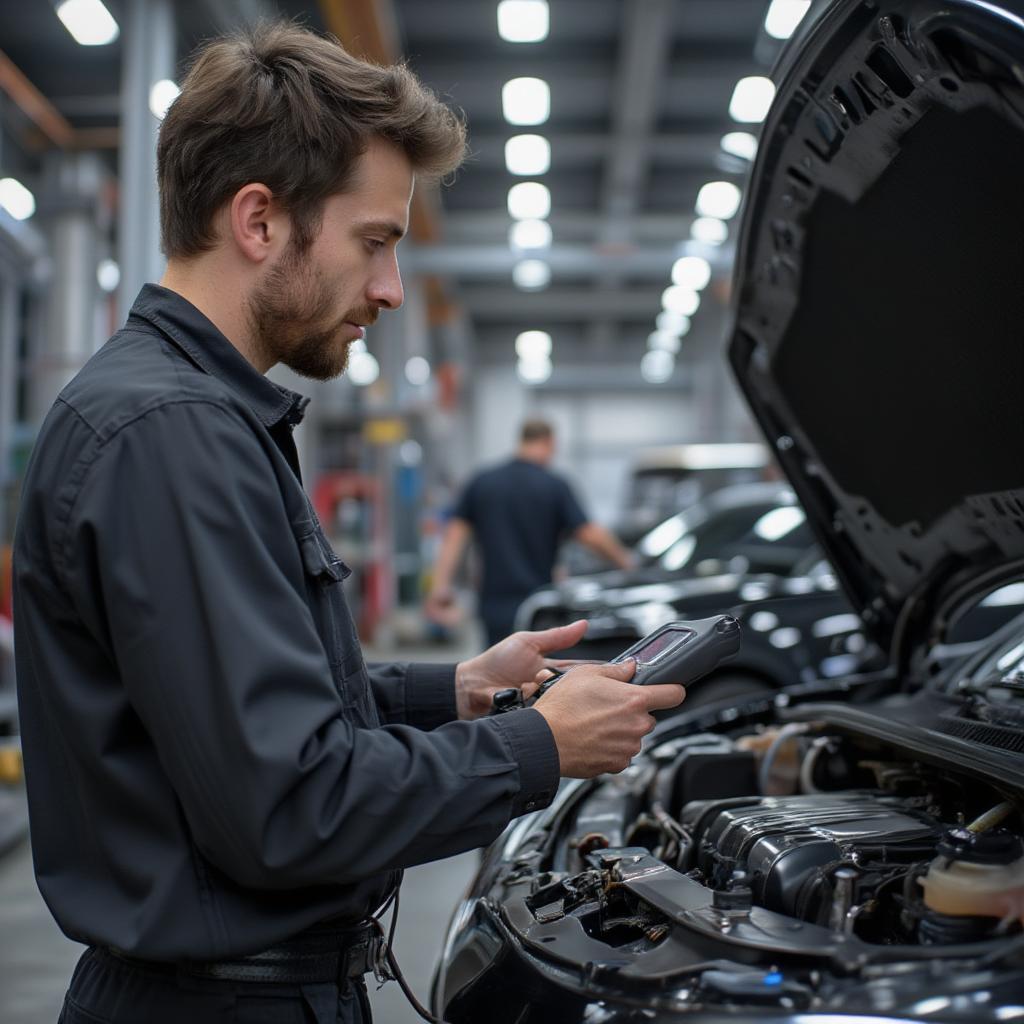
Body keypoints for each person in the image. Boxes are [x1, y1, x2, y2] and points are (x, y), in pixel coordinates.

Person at [11, 23, 685, 1024]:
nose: (389, 289)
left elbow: (232, 703)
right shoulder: (176, 435)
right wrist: (536, 745)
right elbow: (292, 807)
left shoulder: (194, 417)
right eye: (374, 241)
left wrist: (451, 688)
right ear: (258, 221)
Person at [427, 419, 634, 645]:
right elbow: (590, 534)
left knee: (494, 672)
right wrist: (626, 563)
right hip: (539, 605)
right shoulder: (554, 485)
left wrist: (440, 587)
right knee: (538, 674)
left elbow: (454, 537)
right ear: (549, 442)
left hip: (494, 604)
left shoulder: (482, 481)